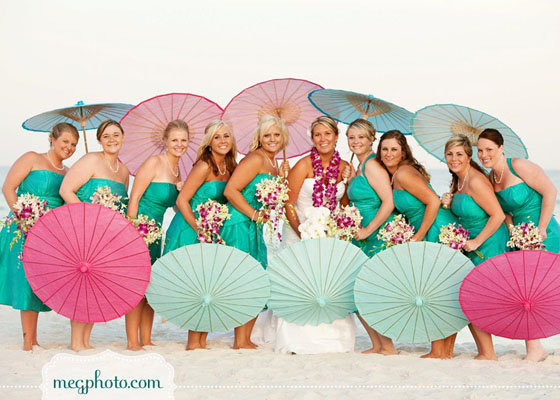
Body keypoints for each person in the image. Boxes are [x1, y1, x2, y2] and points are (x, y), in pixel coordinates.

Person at [274, 115, 354, 354]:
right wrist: (302, 230)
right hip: (298, 232)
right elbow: (287, 203)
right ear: (312, 138)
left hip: (328, 236)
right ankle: (295, 338)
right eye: (317, 134)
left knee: (326, 283)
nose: (323, 139)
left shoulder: (345, 168)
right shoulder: (303, 165)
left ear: (336, 137)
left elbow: (345, 205)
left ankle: (332, 337)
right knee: (301, 282)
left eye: (327, 134)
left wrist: (351, 181)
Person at [477, 128, 559, 362]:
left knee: (553, 289)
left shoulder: (518, 166)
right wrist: (514, 233)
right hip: (521, 238)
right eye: (480, 150)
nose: (484, 155)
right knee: (529, 294)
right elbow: (505, 213)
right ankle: (535, 349)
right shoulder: (491, 178)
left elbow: (550, 192)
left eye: (489, 150)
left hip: (545, 232)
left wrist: (541, 229)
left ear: (501, 149)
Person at [376, 130, 457, 359]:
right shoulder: (394, 174)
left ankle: (440, 350)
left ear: (403, 152)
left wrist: (419, 235)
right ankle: (443, 350)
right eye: (385, 149)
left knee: (435, 288)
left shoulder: (403, 173)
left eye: (394, 149)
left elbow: (432, 201)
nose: (389, 153)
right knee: (438, 288)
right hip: (428, 226)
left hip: (433, 228)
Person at [0, 123, 79, 351]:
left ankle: (33, 339)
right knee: (25, 281)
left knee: (37, 283)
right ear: (52, 139)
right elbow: (8, 188)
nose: (69, 147)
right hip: (22, 228)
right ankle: (28, 341)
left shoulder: (67, 172)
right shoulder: (32, 158)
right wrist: (24, 217)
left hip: (48, 234)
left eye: (73, 144)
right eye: (65, 141)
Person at [163, 119, 237, 350]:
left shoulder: (230, 166)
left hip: (211, 231)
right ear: (209, 142)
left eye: (226, 136)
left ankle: (200, 340)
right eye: (217, 137)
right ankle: (193, 342)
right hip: (189, 229)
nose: (222, 141)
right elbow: (182, 200)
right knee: (196, 283)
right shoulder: (203, 166)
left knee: (208, 283)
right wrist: (199, 228)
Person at [59, 119, 129, 352]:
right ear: (99, 140)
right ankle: (76, 341)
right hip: (83, 230)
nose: (112, 139)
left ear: (123, 137)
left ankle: (86, 340)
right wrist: (89, 218)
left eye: (116, 135)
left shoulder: (124, 172)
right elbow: (65, 191)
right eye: (106, 136)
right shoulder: (90, 160)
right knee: (81, 283)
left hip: (106, 238)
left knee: (95, 285)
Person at [221, 114, 289, 349]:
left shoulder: (274, 163)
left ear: (283, 138)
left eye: (276, 135)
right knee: (244, 279)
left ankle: (244, 339)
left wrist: (282, 179)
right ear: (259, 138)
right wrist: (253, 214)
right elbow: (231, 191)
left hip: (254, 225)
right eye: (267, 135)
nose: (272, 139)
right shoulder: (255, 158)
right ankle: (239, 340)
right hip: (239, 223)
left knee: (254, 278)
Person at [441, 134, 508, 361]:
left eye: (459, 154)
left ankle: (488, 352)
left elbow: (497, 215)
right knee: (468, 296)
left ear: (469, 157)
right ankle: (485, 351)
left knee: (473, 296)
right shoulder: (458, 181)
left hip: (488, 243)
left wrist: (477, 242)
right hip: (471, 244)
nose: (454, 158)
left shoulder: (476, 180)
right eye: (450, 154)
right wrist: (448, 202)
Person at [124, 119, 188, 350]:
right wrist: (133, 232)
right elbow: (134, 198)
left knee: (150, 284)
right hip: (139, 229)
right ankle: (132, 341)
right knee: (136, 284)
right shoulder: (154, 162)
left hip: (156, 232)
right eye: (174, 140)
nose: (179, 144)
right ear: (165, 141)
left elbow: (174, 207)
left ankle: (146, 337)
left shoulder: (178, 170)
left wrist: (181, 193)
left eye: (183, 140)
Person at [344, 119, 396, 355]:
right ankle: (378, 344)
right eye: (351, 137)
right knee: (357, 289)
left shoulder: (373, 165)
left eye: (361, 137)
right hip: (359, 235)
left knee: (369, 290)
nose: (355, 142)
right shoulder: (361, 165)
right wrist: (351, 178)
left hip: (374, 236)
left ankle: (388, 345)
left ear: (371, 140)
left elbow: (388, 203)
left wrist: (367, 230)